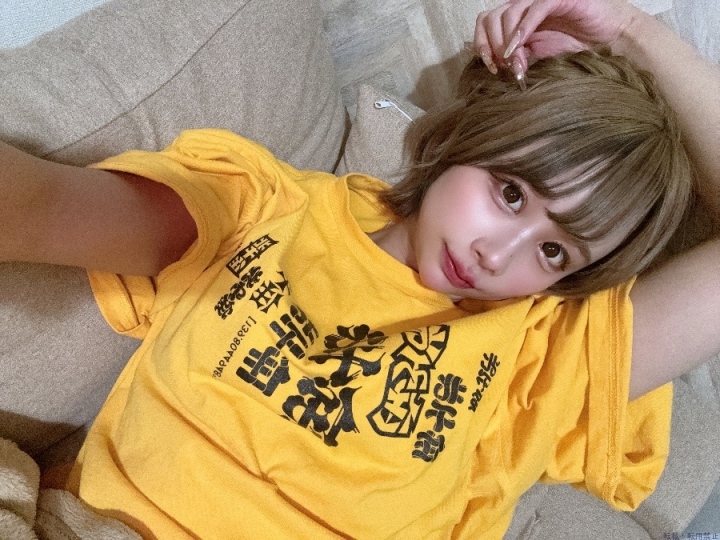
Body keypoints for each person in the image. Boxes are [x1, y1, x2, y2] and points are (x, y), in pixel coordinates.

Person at [0, 0, 717, 538]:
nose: (498, 256)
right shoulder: (259, 206)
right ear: (470, 134)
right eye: (510, 193)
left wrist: (634, 31)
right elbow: (38, 207)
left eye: (554, 252)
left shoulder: (543, 357)